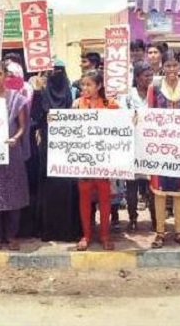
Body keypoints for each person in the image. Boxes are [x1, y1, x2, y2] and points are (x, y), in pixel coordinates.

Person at [147, 53, 180, 249]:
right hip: (159, 145)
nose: (171, 70)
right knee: (159, 190)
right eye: (167, 66)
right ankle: (160, 232)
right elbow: (149, 112)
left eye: (174, 65)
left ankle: (179, 231)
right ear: (162, 66)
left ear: (179, 66)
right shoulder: (155, 86)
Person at [30, 59, 81, 243]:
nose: (55, 74)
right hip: (48, 147)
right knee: (49, 186)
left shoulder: (74, 93)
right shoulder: (42, 92)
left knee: (68, 187)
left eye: (59, 70)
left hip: (69, 148)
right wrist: (36, 92)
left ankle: (70, 229)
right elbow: (35, 116)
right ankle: (48, 229)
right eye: (52, 71)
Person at [0, 62, 30, 251]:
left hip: (12, 153)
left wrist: (15, 139)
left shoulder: (16, 98)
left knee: (13, 195)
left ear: (5, 76)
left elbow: (22, 126)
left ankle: (11, 235)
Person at [72, 69, 120, 251]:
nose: (85, 88)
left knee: (104, 199)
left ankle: (105, 235)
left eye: (89, 84)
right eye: (82, 84)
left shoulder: (111, 104)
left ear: (99, 86)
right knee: (84, 198)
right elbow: (68, 129)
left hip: (104, 159)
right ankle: (86, 235)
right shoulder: (77, 104)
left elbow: (122, 128)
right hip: (83, 159)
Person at [123, 62, 155, 231]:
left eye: (151, 75)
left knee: (152, 185)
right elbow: (123, 115)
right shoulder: (129, 95)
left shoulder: (156, 93)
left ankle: (155, 219)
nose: (149, 79)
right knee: (132, 186)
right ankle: (132, 218)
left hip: (151, 146)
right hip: (132, 145)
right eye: (146, 76)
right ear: (137, 77)